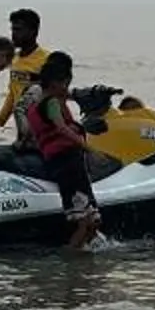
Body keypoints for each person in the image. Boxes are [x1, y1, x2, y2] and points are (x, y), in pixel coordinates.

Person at [13, 50, 102, 248]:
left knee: (93, 221)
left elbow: (30, 133)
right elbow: (61, 128)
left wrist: (21, 144)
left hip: (60, 162)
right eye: (64, 84)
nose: (66, 89)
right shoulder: (51, 103)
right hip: (68, 163)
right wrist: (88, 147)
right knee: (85, 222)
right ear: (54, 83)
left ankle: (82, 260)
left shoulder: (33, 109)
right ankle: (72, 258)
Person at [0, 8, 51, 143]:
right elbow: (12, 96)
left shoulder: (46, 60)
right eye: (12, 29)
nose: (13, 35)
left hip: (42, 128)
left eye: (18, 30)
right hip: (21, 124)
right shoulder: (15, 60)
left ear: (33, 31)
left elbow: (55, 95)